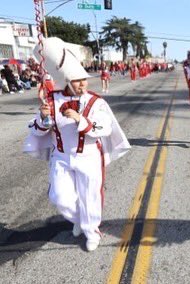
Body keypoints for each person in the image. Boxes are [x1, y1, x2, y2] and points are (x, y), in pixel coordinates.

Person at [23, 37, 131, 252]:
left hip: (89, 156)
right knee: (59, 196)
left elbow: (104, 128)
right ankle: (81, 220)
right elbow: (37, 129)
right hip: (61, 157)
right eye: (77, 80)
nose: (83, 84)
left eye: (84, 79)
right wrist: (44, 118)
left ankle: (92, 231)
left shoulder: (96, 101)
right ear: (66, 81)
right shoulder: (51, 101)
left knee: (90, 196)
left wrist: (80, 119)